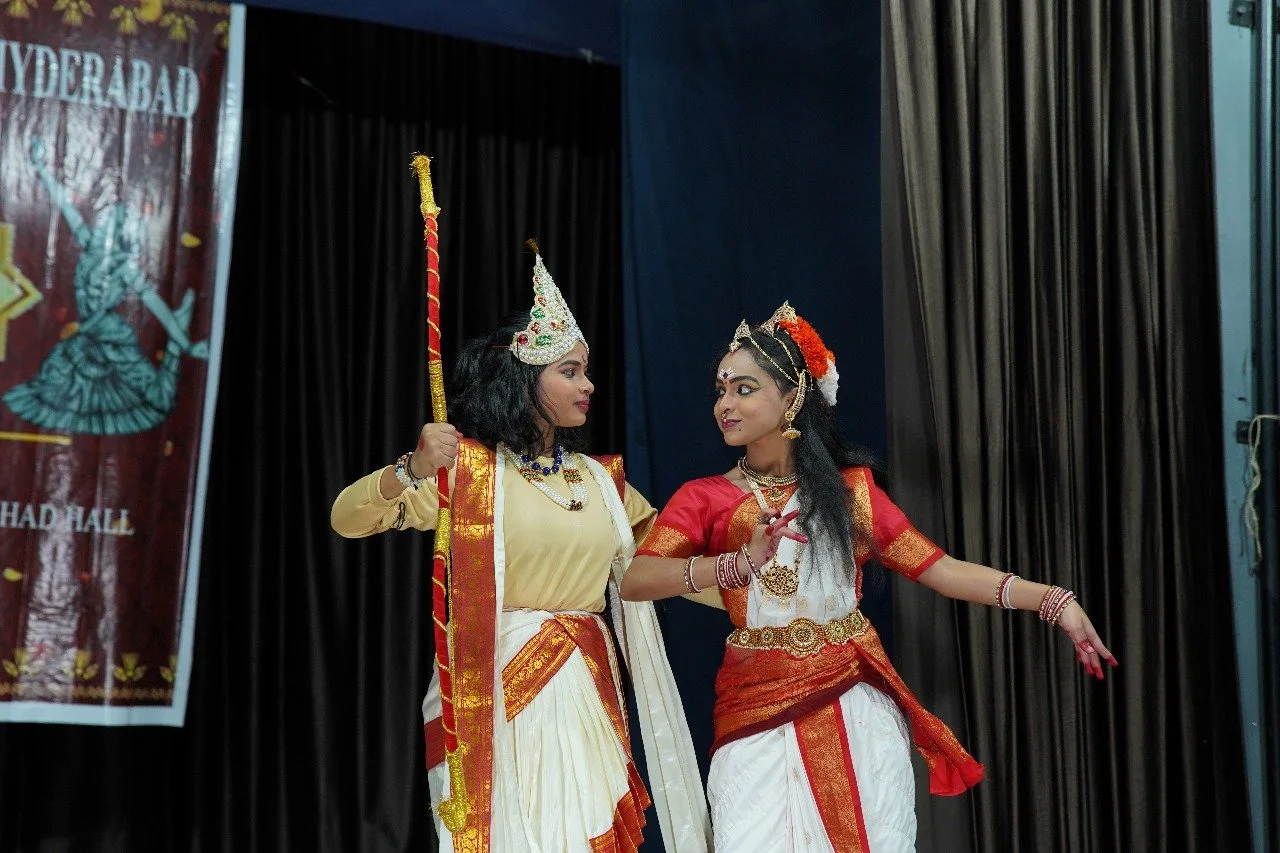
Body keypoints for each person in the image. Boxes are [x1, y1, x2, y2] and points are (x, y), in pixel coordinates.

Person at [620, 302, 1117, 852]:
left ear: (792, 399)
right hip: (756, 709)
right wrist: (737, 564)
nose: (724, 405)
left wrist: (1053, 601)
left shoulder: (850, 493)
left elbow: (941, 570)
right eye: (721, 390)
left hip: (854, 706)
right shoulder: (706, 497)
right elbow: (637, 580)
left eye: (744, 388)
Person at [331, 249, 709, 852]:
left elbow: (668, 569)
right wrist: (412, 467)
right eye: (570, 371)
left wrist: (762, 588)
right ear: (524, 379)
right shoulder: (473, 475)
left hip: (585, 692)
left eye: (586, 371)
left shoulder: (600, 483)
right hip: (496, 696)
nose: (588, 384)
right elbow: (347, 518)